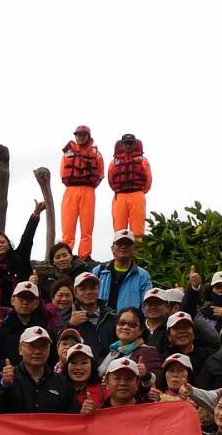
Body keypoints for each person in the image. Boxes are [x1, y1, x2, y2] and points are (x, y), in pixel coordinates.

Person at [0, 326, 78, 414]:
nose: (37, 351)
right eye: (32, 346)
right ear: (20, 349)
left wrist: (86, 411)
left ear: (49, 350)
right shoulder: (3, 379)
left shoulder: (62, 382)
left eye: (43, 346)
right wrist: (4, 386)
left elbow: (72, 416)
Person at [0, 281, 57, 373]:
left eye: (29, 299)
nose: (25, 302)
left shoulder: (46, 332)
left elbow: (53, 358)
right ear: (12, 300)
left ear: (36, 303)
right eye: (21, 298)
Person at [59, 125, 103, 259]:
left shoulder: (96, 154)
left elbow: (101, 173)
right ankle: (66, 254)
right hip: (70, 189)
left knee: (87, 226)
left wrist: (90, 186)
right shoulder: (67, 153)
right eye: (78, 135)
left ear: (88, 136)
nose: (80, 137)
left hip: (88, 190)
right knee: (67, 226)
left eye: (83, 135)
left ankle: (84, 256)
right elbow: (62, 173)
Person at [0, 201, 44, 296]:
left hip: (28, 301)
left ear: (8, 245)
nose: (0, 245)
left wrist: (36, 214)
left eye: (3, 242)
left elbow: (27, 237)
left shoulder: (20, 255)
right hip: (6, 309)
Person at [98, 308, 164, 381]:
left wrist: (146, 376)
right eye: (121, 323)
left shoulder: (148, 352)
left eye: (132, 325)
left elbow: (158, 380)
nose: (125, 327)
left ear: (141, 330)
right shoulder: (112, 350)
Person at [96, 229, 153, 312]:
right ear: (112, 248)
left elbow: (147, 304)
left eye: (127, 244)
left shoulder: (143, 276)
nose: (123, 246)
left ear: (134, 249)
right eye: (120, 244)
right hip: (101, 322)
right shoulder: (98, 271)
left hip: (129, 323)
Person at [107, 133, 152, 237]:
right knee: (119, 230)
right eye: (126, 143)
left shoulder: (143, 160)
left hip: (137, 194)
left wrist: (141, 192)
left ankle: (138, 252)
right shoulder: (113, 162)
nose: (128, 146)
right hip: (120, 195)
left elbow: (148, 179)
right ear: (122, 145)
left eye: (130, 143)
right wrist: (118, 190)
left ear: (135, 144)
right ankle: (118, 252)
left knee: (138, 229)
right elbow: (110, 179)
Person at [67, 271, 115, 350]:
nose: (89, 292)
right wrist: (70, 325)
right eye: (83, 289)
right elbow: (58, 341)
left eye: (92, 288)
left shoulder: (111, 316)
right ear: (75, 293)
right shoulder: (66, 315)